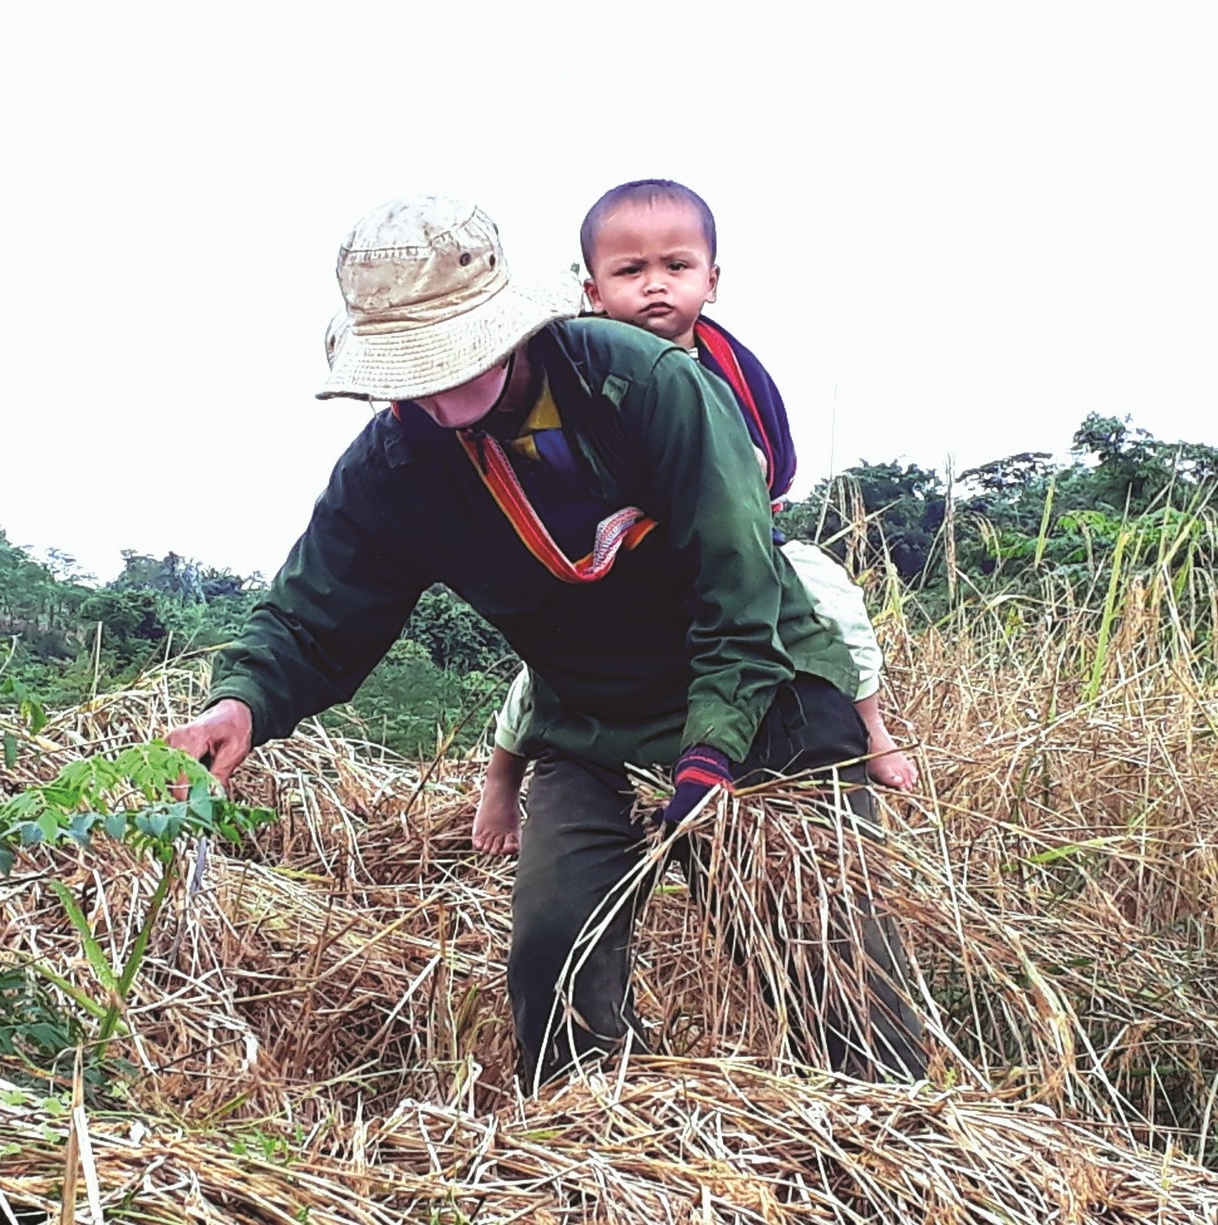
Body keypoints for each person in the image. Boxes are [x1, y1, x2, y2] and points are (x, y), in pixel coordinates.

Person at [165, 195, 926, 1088]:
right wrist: (244, 701)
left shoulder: (645, 386)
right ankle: (591, 1154)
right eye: (414, 373)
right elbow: (317, 609)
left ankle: (889, 1134)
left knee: (826, 964)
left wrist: (711, 748)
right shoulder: (396, 465)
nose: (442, 393)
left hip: (763, 700)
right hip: (590, 722)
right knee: (554, 962)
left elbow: (740, 585)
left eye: (459, 358)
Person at [472, 179, 918, 858]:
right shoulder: (575, 371)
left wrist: (733, 509)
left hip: (734, 542)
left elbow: (771, 457)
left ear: (711, 279)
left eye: (675, 267)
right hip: (619, 546)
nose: (656, 285)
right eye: (630, 271)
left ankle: (873, 726)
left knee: (832, 599)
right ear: (592, 291)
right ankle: (503, 774)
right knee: (554, 649)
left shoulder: (732, 366)